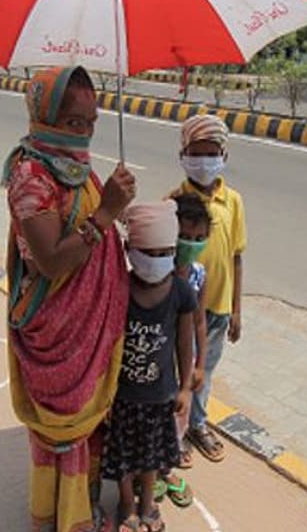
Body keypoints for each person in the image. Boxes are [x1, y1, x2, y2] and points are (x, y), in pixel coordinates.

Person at [3, 66, 136, 532]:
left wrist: (119, 214)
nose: (84, 132)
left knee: (91, 425)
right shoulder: (31, 177)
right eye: (74, 122)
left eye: (91, 122)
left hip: (90, 325)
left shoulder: (73, 168)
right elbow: (54, 262)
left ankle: (85, 507)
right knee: (64, 424)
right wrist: (106, 214)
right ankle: (61, 517)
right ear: (44, 116)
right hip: (57, 328)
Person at [100, 201, 196, 532]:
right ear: (130, 249)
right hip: (123, 397)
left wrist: (185, 386)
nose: (158, 261)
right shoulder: (120, 290)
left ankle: (148, 503)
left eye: (165, 252)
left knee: (152, 454)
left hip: (161, 396)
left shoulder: (181, 292)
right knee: (124, 455)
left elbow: (185, 342)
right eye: (149, 253)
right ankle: (126, 503)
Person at [175, 114, 246, 465]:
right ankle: (174, 429)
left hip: (216, 308)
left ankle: (197, 424)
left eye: (211, 153)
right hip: (182, 310)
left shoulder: (233, 202)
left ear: (224, 156)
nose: (204, 161)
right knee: (179, 370)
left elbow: (236, 256)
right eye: (196, 153)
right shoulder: (174, 201)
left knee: (205, 369)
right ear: (183, 155)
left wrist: (236, 310)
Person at [158, 193, 211, 508]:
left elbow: (200, 322)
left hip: (184, 361)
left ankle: (165, 468)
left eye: (199, 238)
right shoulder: (154, 271)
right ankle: (145, 473)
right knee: (151, 415)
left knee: (178, 415)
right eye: (184, 237)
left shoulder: (199, 275)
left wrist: (200, 364)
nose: (191, 243)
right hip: (157, 358)